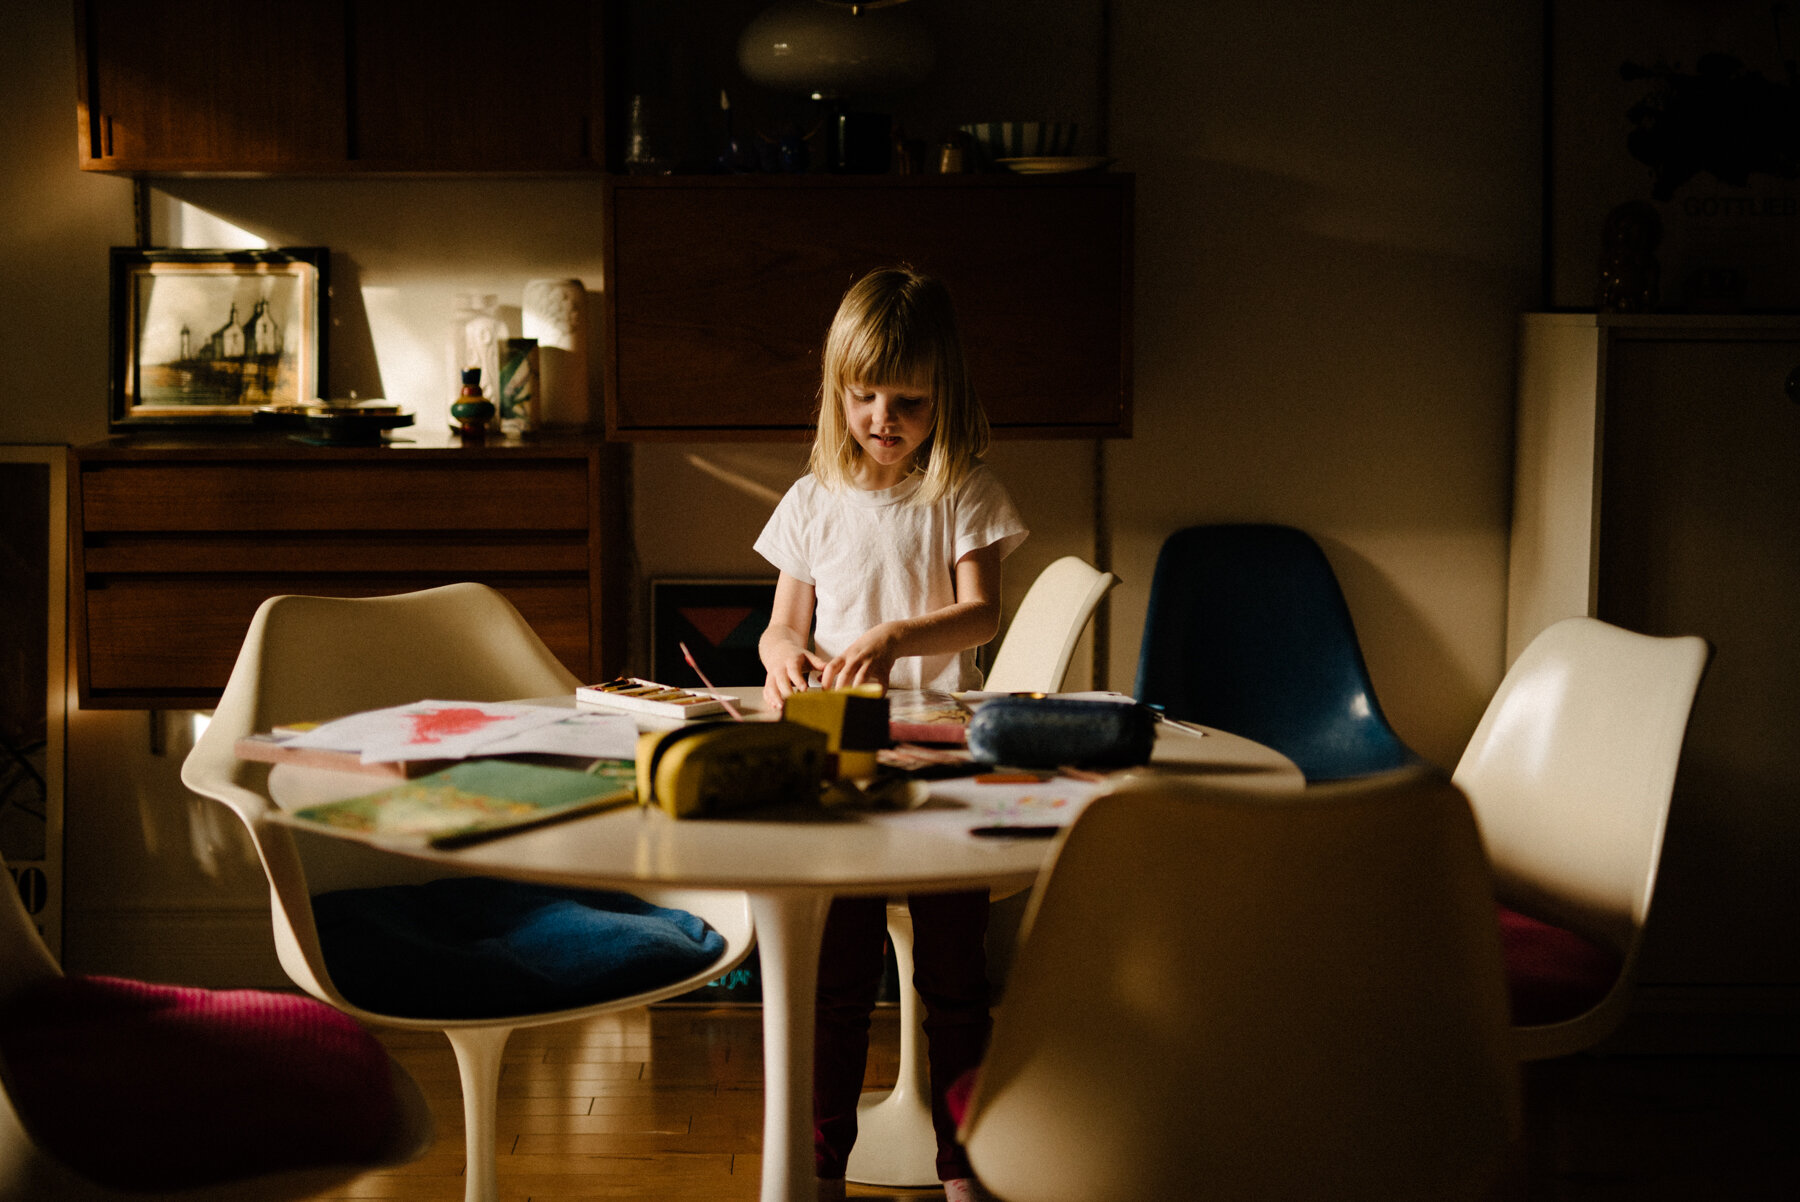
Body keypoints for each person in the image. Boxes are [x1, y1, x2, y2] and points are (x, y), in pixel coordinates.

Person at [755, 266, 1027, 1202]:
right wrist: (784, 653)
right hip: (841, 759)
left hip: (943, 767)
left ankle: (963, 1170)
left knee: (956, 984)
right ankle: (822, 1167)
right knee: (835, 987)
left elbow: (981, 615)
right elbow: (784, 623)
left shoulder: (965, 490)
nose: (882, 416)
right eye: (863, 394)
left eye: (907, 399)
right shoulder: (814, 498)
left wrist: (896, 638)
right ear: (836, 391)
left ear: (943, 395)